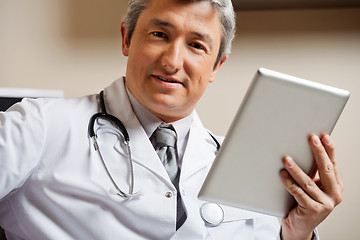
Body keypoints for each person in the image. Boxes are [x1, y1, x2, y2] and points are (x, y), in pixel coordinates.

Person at [0, 0, 343, 239]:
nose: (172, 61)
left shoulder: (243, 165)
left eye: (196, 45)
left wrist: (297, 234)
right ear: (126, 38)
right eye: (159, 35)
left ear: (216, 67)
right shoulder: (40, 125)